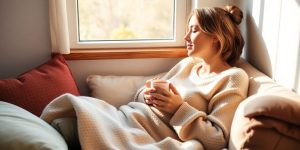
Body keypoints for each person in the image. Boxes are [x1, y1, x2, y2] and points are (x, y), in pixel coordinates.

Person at [41, 5, 249, 150]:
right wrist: (148, 93)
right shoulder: (188, 65)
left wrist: (177, 107)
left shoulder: (233, 77)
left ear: (216, 38)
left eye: (194, 31)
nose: (186, 38)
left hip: (142, 136)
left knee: (58, 130)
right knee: (58, 120)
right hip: (124, 118)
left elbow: (216, 140)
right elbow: (138, 97)